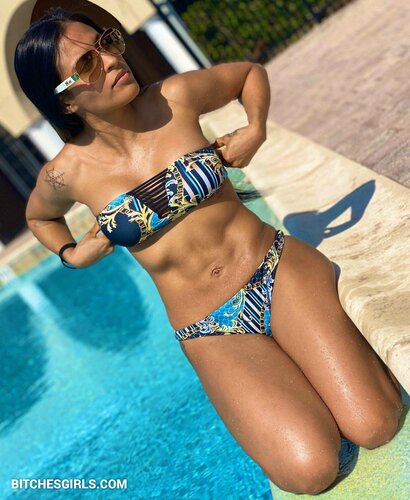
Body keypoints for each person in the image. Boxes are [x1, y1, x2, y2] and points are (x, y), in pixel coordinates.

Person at [15, 6, 403, 496]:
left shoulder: (174, 98)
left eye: (107, 42)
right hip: (210, 329)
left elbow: (248, 75)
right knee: (310, 470)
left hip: (275, 270)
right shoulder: (66, 174)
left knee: (375, 425)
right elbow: (39, 217)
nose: (111, 60)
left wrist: (255, 129)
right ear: (66, 101)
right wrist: (72, 254)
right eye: (88, 63)